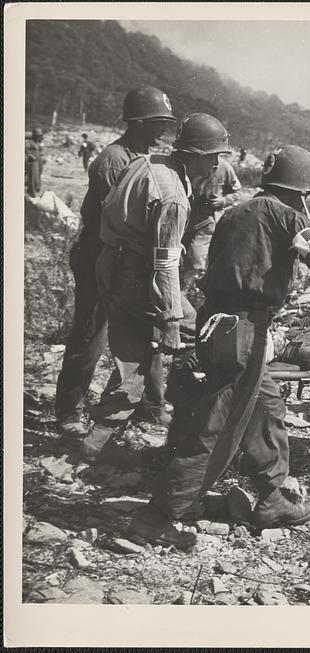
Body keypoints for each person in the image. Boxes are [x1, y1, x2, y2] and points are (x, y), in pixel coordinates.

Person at [126, 145, 310, 549]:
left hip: (216, 328)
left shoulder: (235, 213)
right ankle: (154, 518)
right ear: (301, 191)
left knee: (266, 410)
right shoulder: (287, 214)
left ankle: (271, 498)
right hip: (244, 333)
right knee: (216, 433)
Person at [74, 112, 231, 463]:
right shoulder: (173, 196)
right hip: (137, 273)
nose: (218, 164)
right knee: (204, 331)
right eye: (215, 156)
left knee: (133, 351)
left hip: (111, 262)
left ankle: (95, 443)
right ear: (196, 155)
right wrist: (171, 319)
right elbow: (165, 262)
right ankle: (188, 417)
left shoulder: (150, 161)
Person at [54, 87, 178, 436]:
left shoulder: (144, 157)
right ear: (138, 122)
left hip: (127, 256)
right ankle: (70, 412)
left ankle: (151, 405)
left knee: (146, 331)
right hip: (99, 255)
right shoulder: (113, 159)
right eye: (157, 123)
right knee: (91, 333)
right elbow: (120, 217)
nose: (163, 130)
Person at [182, 156, 242, 282]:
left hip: (207, 220)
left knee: (196, 258)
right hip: (186, 216)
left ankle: (190, 285)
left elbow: (236, 191)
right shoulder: (190, 162)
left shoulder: (225, 168)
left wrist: (223, 200)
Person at [25, 127, 45, 197]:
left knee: (37, 177)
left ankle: (36, 189)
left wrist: (42, 158)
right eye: (38, 136)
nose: (39, 137)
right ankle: (31, 192)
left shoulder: (38, 143)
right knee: (32, 177)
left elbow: (40, 152)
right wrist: (30, 155)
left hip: (38, 162)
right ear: (34, 136)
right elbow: (25, 150)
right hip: (31, 163)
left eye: (40, 136)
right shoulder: (29, 143)